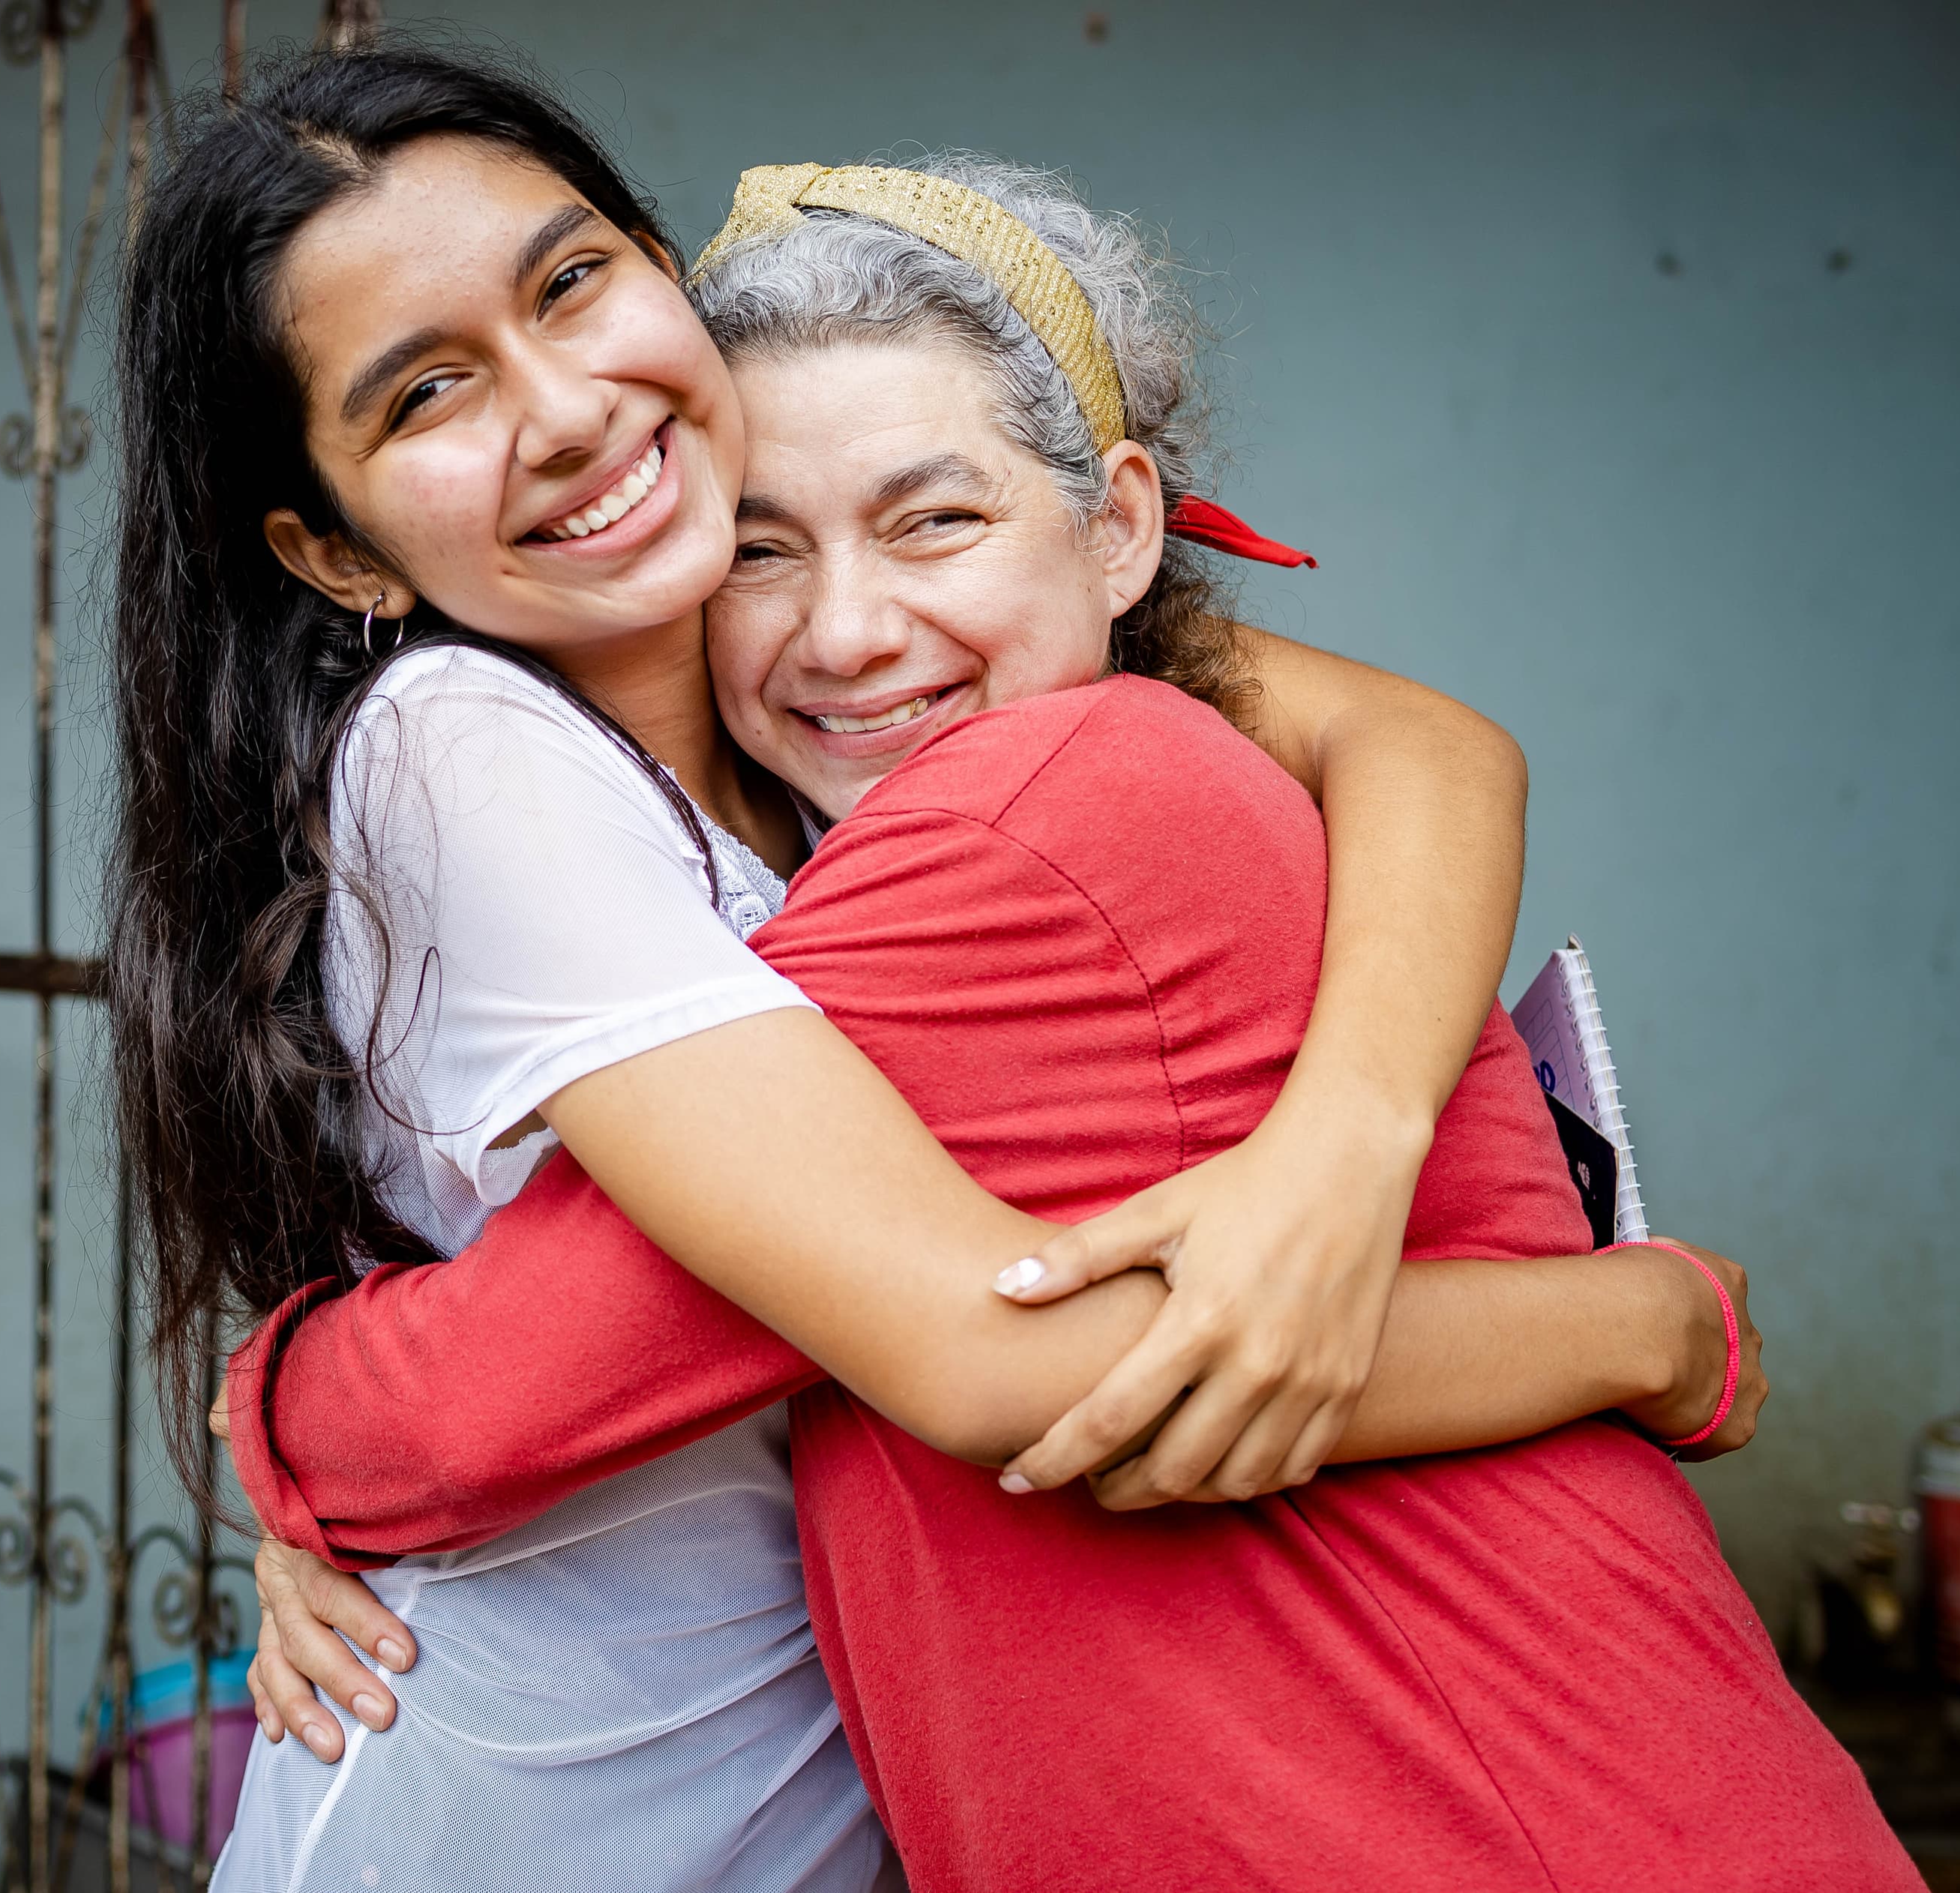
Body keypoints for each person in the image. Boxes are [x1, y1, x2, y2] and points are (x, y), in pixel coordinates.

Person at [110, 46, 1807, 1893]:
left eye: (572, 279)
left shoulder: (926, 765)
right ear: (329, 544)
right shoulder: (495, 744)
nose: (572, 410)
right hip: (549, 1816)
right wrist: (1645, 1329)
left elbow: (1429, 742)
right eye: (428, 390)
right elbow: (956, 1352)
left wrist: (1349, 1144)